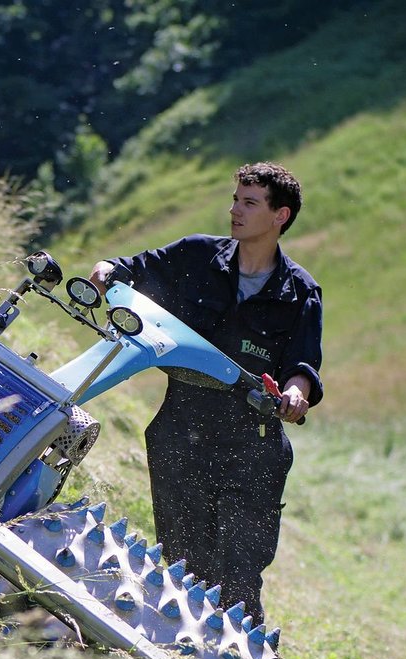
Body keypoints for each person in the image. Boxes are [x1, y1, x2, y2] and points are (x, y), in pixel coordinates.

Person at [88, 162, 323, 627]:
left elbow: (303, 367)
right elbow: (130, 270)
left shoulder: (300, 292)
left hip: (251, 446)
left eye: (249, 203)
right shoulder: (195, 255)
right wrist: (106, 270)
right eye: (236, 199)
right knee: (184, 570)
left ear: (281, 215)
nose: (235, 210)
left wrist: (296, 395)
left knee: (238, 580)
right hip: (180, 430)